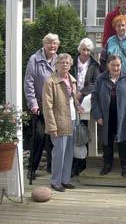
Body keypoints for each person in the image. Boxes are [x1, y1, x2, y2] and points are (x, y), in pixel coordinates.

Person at [91, 55, 126, 177]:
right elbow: (94, 98)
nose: (115, 67)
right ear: (107, 65)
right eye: (113, 65)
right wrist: (98, 115)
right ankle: (107, 164)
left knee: (123, 141)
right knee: (107, 141)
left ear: (121, 65)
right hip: (106, 115)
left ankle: (125, 165)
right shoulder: (101, 79)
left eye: (118, 65)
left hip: (122, 115)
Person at [42, 53, 83, 192]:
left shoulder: (72, 80)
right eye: (61, 62)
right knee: (59, 153)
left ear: (70, 65)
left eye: (67, 63)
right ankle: (55, 182)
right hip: (59, 122)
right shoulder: (50, 82)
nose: (64, 65)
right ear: (56, 64)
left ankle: (65, 180)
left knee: (69, 152)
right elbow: (47, 107)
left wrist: (78, 105)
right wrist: (51, 126)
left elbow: (72, 99)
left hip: (72, 120)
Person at [24, 33, 60, 180]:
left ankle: (52, 168)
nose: (52, 46)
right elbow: (29, 83)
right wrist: (32, 104)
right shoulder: (34, 59)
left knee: (54, 136)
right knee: (38, 136)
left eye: (55, 43)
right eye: (50, 43)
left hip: (55, 106)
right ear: (44, 44)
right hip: (39, 105)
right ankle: (32, 168)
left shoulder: (59, 60)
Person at [70, 38, 100, 177]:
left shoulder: (94, 65)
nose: (86, 52)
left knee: (82, 132)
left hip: (85, 101)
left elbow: (95, 83)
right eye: (83, 49)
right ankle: (72, 164)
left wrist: (81, 93)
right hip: (70, 99)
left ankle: (82, 164)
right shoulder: (71, 63)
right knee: (71, 132)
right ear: (79, 49)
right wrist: (73, 93)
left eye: (88, 50)